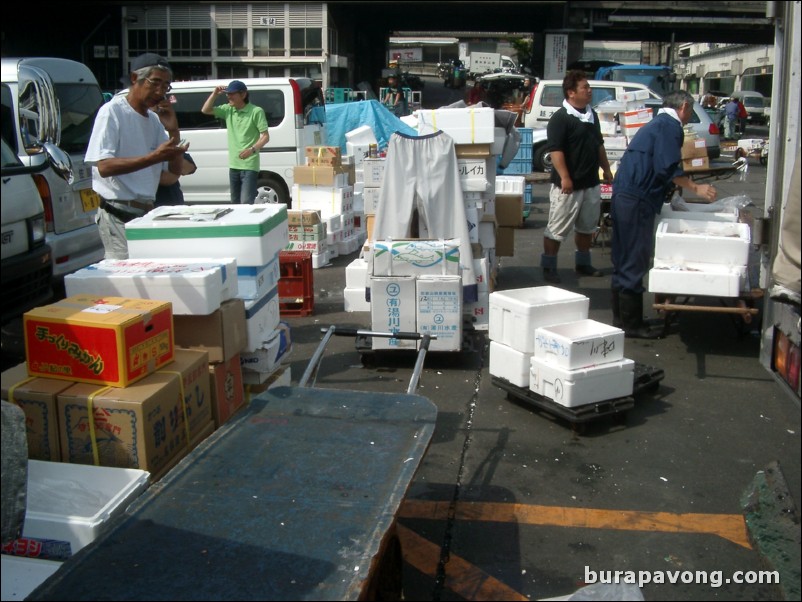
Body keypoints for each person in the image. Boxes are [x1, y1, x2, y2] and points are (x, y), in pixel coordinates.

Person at [610, 90, 717, 339]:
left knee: (623, 256)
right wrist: (696, 187)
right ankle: (631, 324)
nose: (690, 117)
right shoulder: (670, 126)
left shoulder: (656, 124)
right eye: (690, 111)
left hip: (625, 195)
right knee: (635, 258)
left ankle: (622, 318)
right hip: (637, 198)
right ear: (684, 108)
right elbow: (667, 166)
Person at [85, 53, 188, 260]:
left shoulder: (152, 119)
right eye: (155, 83)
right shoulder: (112, 112)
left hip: (146, 213)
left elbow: (174, 172)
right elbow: (104, 166)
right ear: (134, 79)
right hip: (118, 213)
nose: (160, 92)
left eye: (166, 86)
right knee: (126, 279)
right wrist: (152, 158)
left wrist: (174, 132)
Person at [540, 70, 613, 284]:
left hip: (590, 182)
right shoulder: (560, 118)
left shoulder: (592, 115)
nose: (589, 91)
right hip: (568, 185)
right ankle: (549, 266)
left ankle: (583, 263)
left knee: (587, 227)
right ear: (571, 93)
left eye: (589, 87)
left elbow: (598, 145)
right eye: (585, 88)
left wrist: (606, 169)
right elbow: (556, 151)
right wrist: (565, 177)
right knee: (557, 228)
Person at [201, 80, 269, 204]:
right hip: (233, 165)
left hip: (249, 166)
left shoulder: (256, 111)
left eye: (232, 94)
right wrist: (215, 94)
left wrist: (252, 149)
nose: (228, 96)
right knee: (235, 204)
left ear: (243, 95)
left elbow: (265, 136)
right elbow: (205, 110)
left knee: (245, 203)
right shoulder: (228, 110)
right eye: (227, 94)